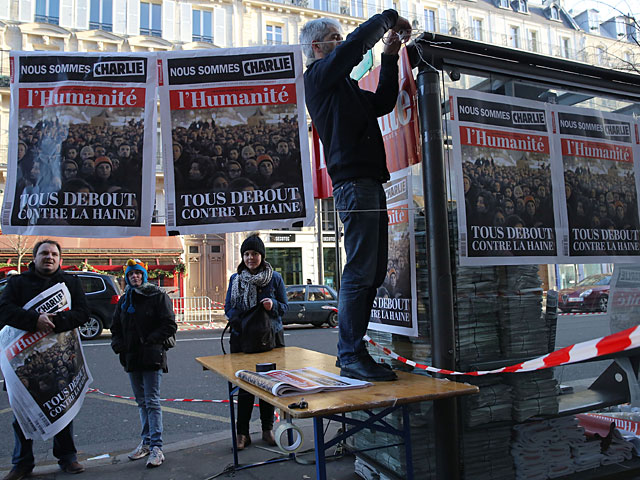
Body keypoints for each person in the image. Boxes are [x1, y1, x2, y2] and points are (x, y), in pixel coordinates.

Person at [300, 9, 411, 381]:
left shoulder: (344, 88)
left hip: (367, 182)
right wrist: (388, 19)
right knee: (361, 271)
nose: (341, 41)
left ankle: (354, 349)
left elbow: (381, 102)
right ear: (317, 47)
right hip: (354, 184)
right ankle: (350, 353)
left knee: (373, 271)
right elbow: (352, 49)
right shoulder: (317, 77)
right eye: (334, 37)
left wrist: (391, 55)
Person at [0, 240, 89, 480]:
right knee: (22, 414)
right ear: (35, 257)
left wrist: (55, 323)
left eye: (53, 254)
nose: (48, 257)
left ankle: (68, 458)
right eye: (44, 253)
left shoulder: (70, 283)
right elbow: (4, 310)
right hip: (21, 365)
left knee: (62, 410)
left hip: (59, 362)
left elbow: (83, 313)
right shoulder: (17, 283)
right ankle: (22, 464)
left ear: (59, 259)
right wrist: (34, 320)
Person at [110, 259, 177, 469]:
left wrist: (149, 341)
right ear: (127, 278)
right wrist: (119, 346)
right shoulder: (124, 300)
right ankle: (146, 442)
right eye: (131, 275)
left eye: (138, 274)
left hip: (151, 356)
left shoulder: (157, 296)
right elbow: (115, 328)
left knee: (152, 401)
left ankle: (157, 446)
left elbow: (169, 325)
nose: (135, 277)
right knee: (141, 402)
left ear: (144, 275)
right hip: (131, 358)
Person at [224, 235, 288, 450]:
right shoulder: (235, 279)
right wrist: (240, 319)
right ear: (243, 257)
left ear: (262, 255)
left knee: (269, 386)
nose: (251, 258)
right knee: (244, 387)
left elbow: (285, 307)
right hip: (243, 340)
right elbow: (228, 308)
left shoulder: (274, 278)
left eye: (255, 254)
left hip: (270, 339)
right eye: (247, 254)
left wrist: (273, 306)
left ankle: (267, 429)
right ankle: (242, 433)